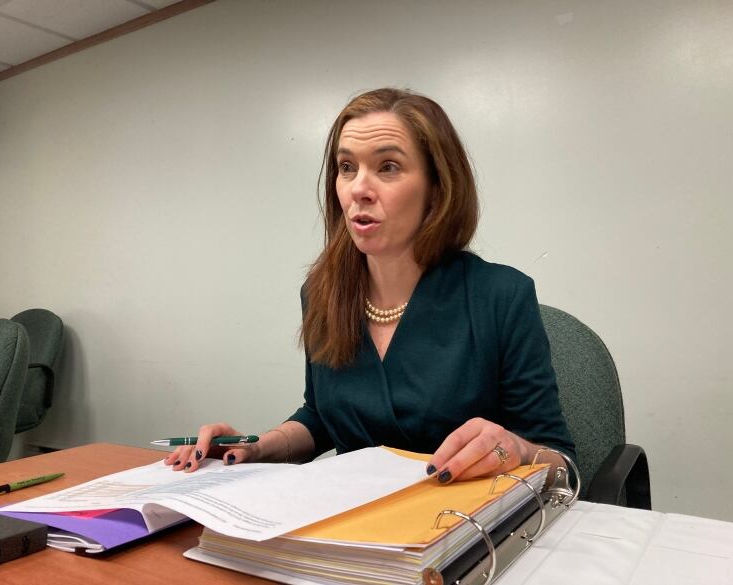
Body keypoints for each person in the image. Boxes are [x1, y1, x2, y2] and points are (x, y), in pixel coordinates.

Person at [165, 88, 575, 484]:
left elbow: (560, 461)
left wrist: (519, 450)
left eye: (388, 167)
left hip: (460, 526)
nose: (359, 189)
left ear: (437, 189)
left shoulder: (501, 295)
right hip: (351, 525)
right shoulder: (322, 292)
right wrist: (256, 446)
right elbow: (322, 415)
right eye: (347, 167)